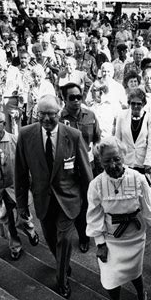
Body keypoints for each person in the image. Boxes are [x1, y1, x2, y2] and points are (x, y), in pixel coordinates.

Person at [15, 94, 93, 298]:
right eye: (41, 115)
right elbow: (20, 173)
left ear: (59, 114)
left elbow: (85, 173)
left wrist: (92, 204)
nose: (46, 120)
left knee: (64, 240)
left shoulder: (73, 135)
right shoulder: (25, 134)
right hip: (43, 200)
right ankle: (63, 265)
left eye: (51, 115)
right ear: (36, 114)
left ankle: (62, 279)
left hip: (69, 200)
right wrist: (21, 205)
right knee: (50, 239)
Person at [86, 137, 151, 300]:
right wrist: (100, 244)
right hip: (111, 239)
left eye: (116, 159)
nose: (113, 165)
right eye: (107, 161)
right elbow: (94, 216)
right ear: (99, 161)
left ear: (123, 157)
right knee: (109, 277)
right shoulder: (96, 185)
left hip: (135, 238)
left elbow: (149, 209)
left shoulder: (138, 179)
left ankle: (141, 295)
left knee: (135, 272)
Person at [0, 111, 39, 260]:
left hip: (17, 189)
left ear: (3, 124)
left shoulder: (15, 141)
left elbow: (28, 165)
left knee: (23, 217)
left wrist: (31, 184)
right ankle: (15, 246)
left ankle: (30, 231)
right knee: (7, 221)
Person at [60, 82, 101, 252]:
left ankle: (96, 233)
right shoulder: (60, 119)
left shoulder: (90, 115)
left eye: (79, 97)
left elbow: (98, 138)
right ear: (64, 99)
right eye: (72, 97)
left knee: (92, 201)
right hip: (69, 169)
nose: (77, 101)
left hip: (90, 166)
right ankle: (83, 237)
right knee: (77, 204)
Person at [115, 88, 151, 176]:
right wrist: (118, 160)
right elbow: (117, 140)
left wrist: (148, 162)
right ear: (129, 103)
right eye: (133, 103)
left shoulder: (149, 117)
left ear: (144, 104)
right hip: (125, 162)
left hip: (142, 162)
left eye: (139, 104)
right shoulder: (122, 116)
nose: (136, 106)